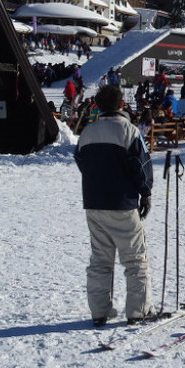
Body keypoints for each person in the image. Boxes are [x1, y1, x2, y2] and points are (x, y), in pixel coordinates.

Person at [74, 85, 155, 327]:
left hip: (94, 203)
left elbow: (81, 160)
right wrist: (145, 193)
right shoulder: (129, 131)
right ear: (122, 105)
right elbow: (142, 165)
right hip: (122, 203)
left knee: (100, 259)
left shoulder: (88, 132)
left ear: (98, 106)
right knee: (135, 259)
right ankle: (139, 310)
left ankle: (100, 311)